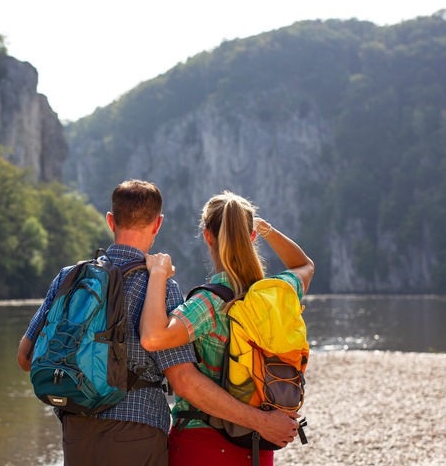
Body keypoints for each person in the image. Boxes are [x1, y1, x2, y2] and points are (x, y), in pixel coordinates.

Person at [17, 181, 298, 466]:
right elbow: (184, 380)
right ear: (158, 224)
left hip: (76, 430)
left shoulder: (70, 276)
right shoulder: (159, 286)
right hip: (138, 429)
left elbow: (26, 358)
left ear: (111, 220)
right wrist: (261, 421)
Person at [139, 190, 315, 466]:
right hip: (259, 443)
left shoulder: (208, 302)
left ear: (208, 236)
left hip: (203, 443)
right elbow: (304, 264)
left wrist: (158, 274)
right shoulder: (276, 293)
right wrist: (264, 228)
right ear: (252, 236)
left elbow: (152, 337)